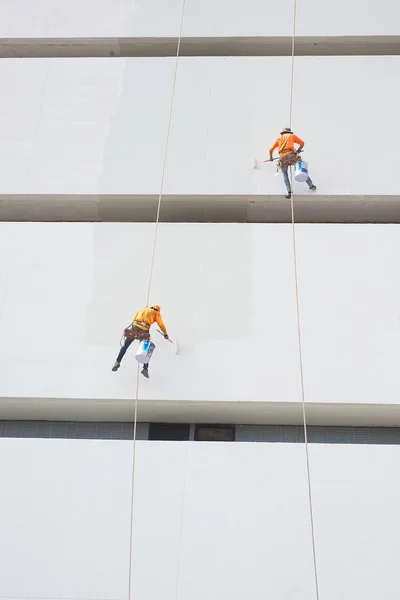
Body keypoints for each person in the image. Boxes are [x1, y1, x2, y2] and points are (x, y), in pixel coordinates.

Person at [112, 305, 169, 379]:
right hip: (144, 330)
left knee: (125, 346)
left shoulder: (141, 309)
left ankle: (117, 362)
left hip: (134, 328)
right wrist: (165, 334)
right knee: (145, 350)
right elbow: (161, 325)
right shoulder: (156, 313)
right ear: (158, 310)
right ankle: (145, 369)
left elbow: (133, 319)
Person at [267, 127, 317, 199]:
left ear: (283, 133)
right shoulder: (292, 136)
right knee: (301, 169)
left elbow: (270, 149)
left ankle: (289, 191)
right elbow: (302, 143)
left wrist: (271, 158)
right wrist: (298, 151)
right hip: (291, 155)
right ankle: (311, 185)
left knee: (285, 174)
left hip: (282, 157)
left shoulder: (279, 139)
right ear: (289, 132)